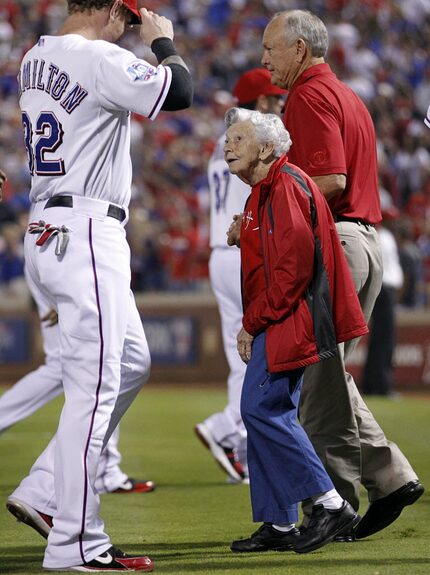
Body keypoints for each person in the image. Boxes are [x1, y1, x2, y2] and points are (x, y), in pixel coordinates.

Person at [6, 0, 192, 572]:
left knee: (131, 360)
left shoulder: (34, 57)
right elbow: (178, 92)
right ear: (113, 9)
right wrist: (163, 41)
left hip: (48, 229)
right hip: (85, 230)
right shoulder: (98, 55)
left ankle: (43, 490)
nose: (131, 27)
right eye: (129, 18)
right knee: (95, 390)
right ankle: (76, 543)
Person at [261, 9, 424, 541]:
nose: (264, 58)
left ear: (300, 50)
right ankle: (387, 478)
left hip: (339, 243)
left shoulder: (307, 96)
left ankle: (333, 507)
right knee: (327, 376)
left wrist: (274, 214)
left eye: (271, 48)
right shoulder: (348, 94)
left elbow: (328, 178)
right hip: (363, 241)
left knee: (317, 384)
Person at [223, 108, 367, 554]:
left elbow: (292, 270)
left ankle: (329, 502)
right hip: (285, 315)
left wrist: (251, 324)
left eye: (238, 139)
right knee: (263, 410)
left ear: (266, 148)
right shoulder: (267, 189)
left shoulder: (284, 186)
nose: (227, 146)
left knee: (264, 410)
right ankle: (279, 523)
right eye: (228, 139)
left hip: (291, 317)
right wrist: (240, 234)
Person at [194, 68, 285, 484]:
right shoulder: (251, 134)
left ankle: (239, 445)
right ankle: (226, 428)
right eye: (272, 98)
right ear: (259, 101)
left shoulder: (221, 140)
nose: (278, 103)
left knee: (239, 360)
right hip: (240, 246)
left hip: (219, 253)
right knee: (260, 352)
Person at [0, 303, 156, 495]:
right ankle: (94, 474)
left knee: (87, 364)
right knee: (107, 364)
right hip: (80, 279)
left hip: (72, 279)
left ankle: (91, 473)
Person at [361, 205, 403, 397]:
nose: (395, 222)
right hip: (386, 290)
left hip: (382, 290)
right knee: (385, 340)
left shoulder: (380, 235)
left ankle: (372, 384)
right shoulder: (385, 237)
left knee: (379, 339)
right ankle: (382, 386)